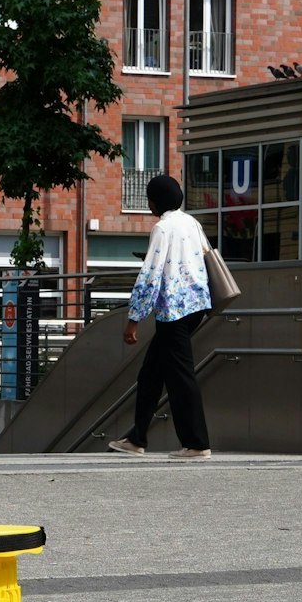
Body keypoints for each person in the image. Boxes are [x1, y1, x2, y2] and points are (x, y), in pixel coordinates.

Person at [108, 174, 212, 460]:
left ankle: (197, 443)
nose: (149, 204)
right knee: (151, 373)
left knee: (180, 376)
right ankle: (136, 437)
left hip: (175, 311)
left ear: (156, 201)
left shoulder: (163, 229)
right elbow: (203, 255)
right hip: (197, 305)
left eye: (150, 199)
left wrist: (134, 319)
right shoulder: (191, 222)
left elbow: (150, 275)